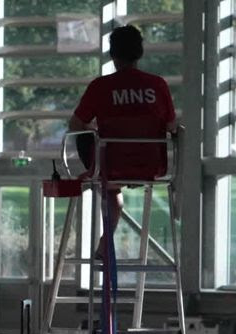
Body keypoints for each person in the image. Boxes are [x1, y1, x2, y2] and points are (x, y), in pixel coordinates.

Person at [69, 25, 177, 258]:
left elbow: (75, 126)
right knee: (112, 179)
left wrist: (96, 132)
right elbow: (171, 126)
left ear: (112, 54)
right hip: (150, 165)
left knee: (97, 150)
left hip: (110, 166)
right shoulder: (158, 85)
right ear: (139, 53)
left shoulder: (100, 87)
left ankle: (99, 179)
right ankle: (105, 241)